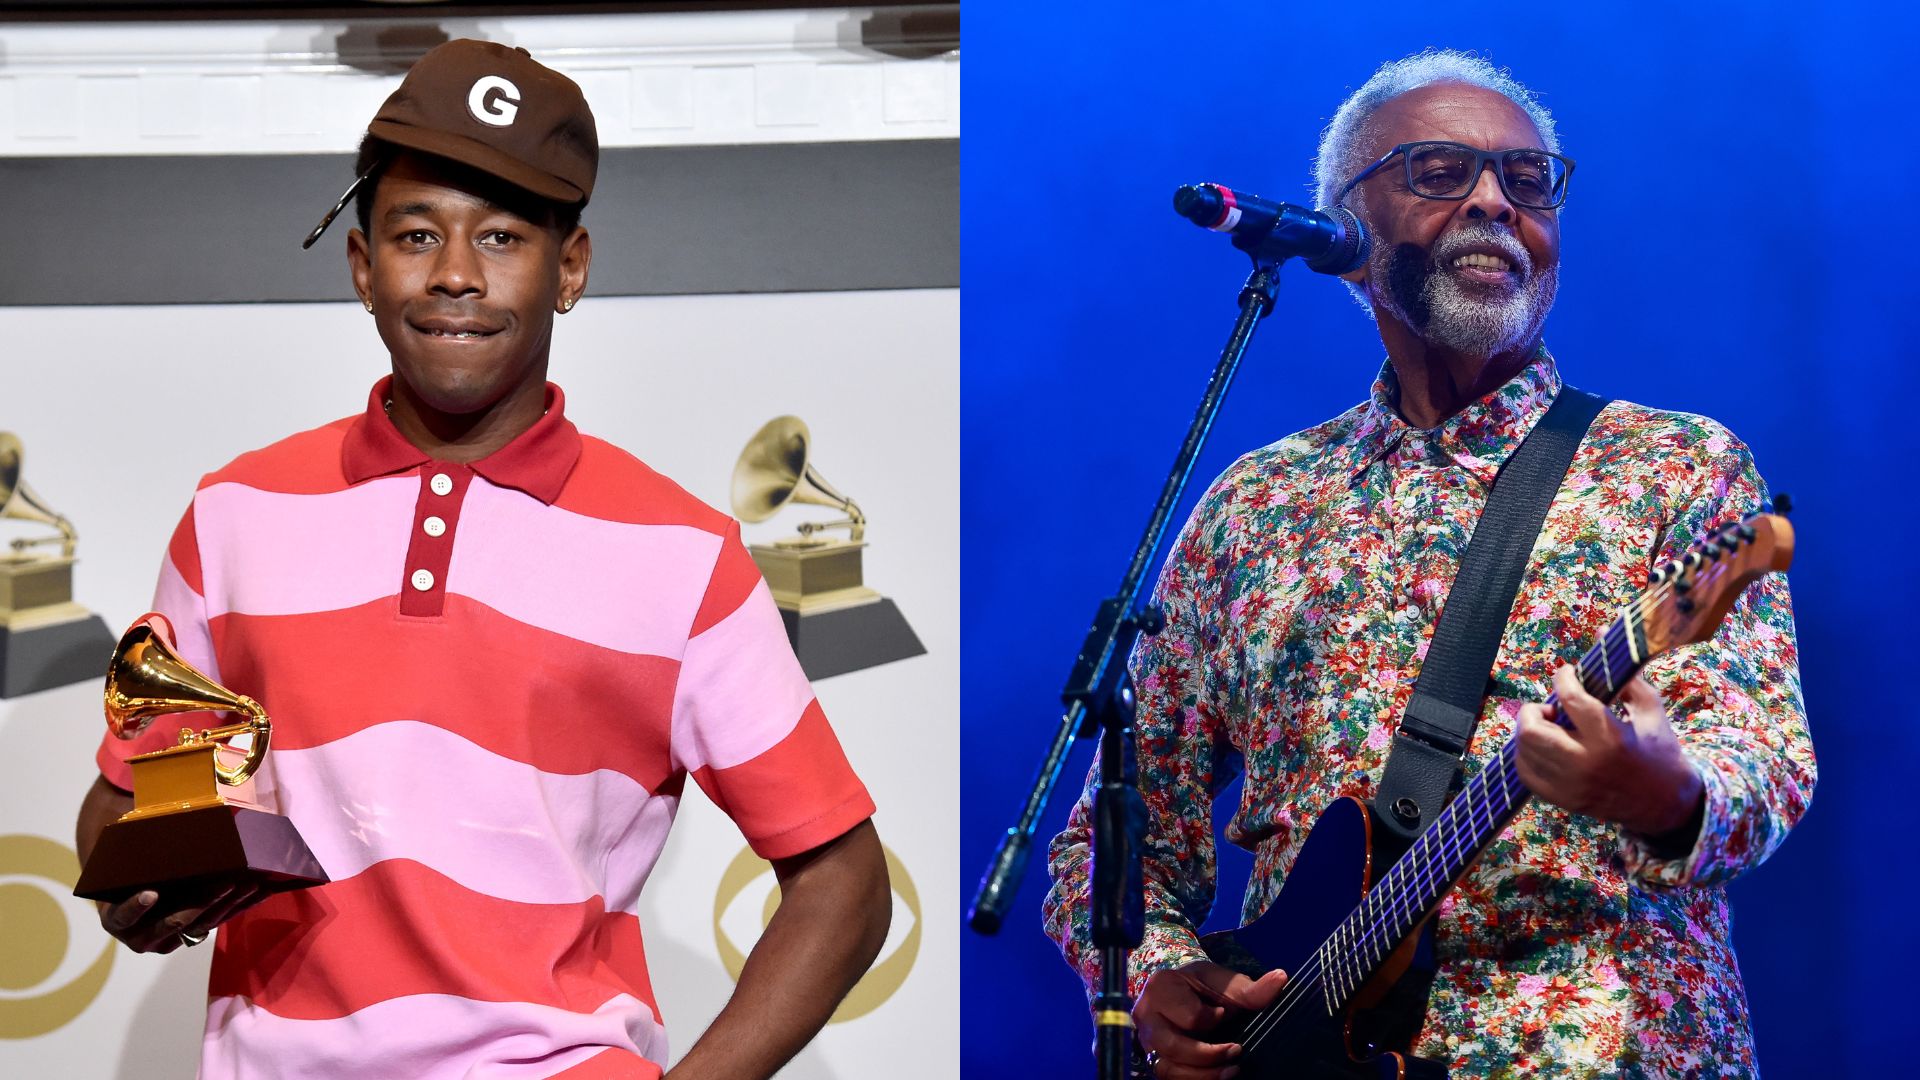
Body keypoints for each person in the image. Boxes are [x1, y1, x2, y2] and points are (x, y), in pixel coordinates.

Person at [75, 39, 890, 1080]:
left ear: (572, 269)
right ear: (365, 269)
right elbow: (132, 800)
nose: (456, 273)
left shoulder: (684, 556)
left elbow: (845, 878)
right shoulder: (236, 514)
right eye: (417, 234)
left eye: (502, 236)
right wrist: (150, 879)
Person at [1043, 49, 1814, 1079]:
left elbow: (1767, 761)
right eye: (1442, 172)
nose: (1496, 201)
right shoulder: (1256, 505)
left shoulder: (1678, 467)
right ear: (1348, 236)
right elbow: (1108, 837)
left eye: (1529, 181)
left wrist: (1664, 795)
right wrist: (1159, 974)